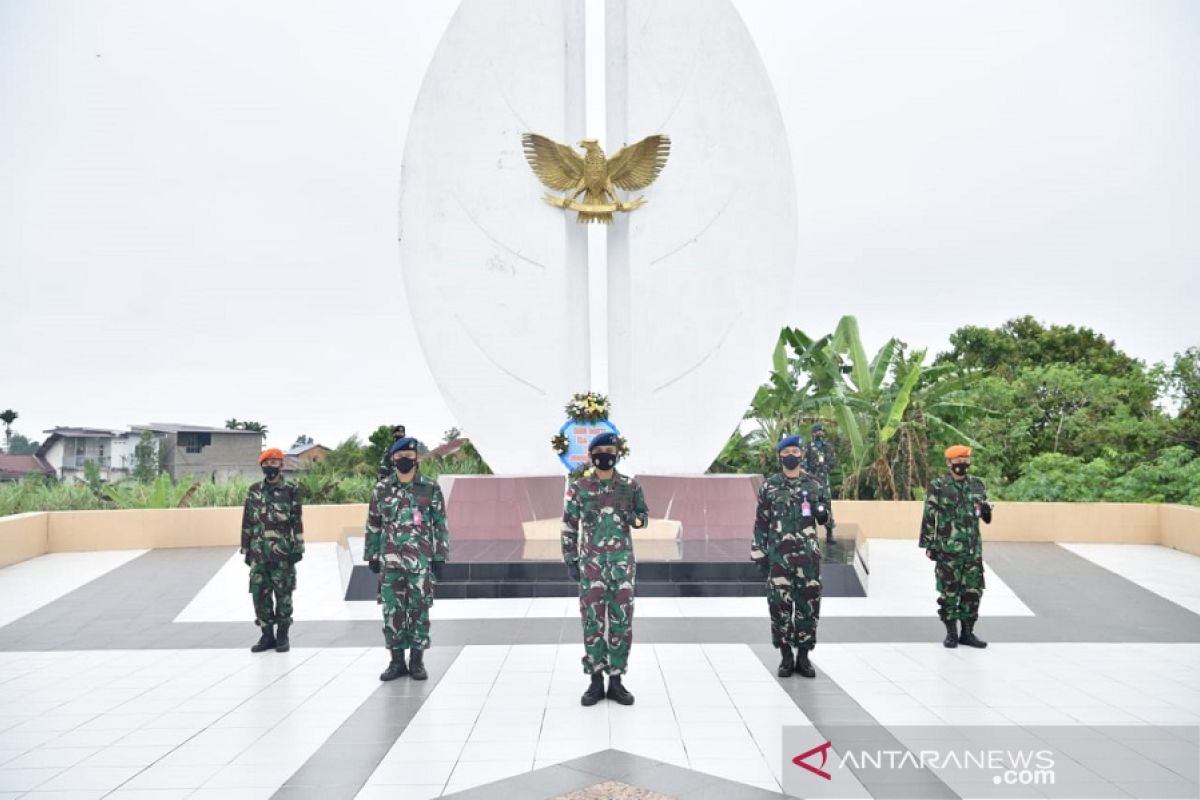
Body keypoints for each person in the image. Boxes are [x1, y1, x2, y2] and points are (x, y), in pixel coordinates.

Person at [561, 432, 648, 706]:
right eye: (600, 451)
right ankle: (596, 680)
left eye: (610, 450)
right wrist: (571, 559)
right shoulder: (580, 487)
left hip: (622, 568)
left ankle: (617, 680)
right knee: (593, 624)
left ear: (616, 454)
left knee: (621, 624)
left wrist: (633, 518)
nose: (605, 455)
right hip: (592, 568)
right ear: (591, 455)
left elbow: (643, 518)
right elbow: (568, 525)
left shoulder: (630, 486)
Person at [364, 437, 449, 681]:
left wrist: (440, 555)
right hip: (390, 563)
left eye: (409, 456)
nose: (404, 460)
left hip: (420, 561)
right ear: (393, 459)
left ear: (416, 458)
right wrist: (371, 555)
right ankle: (396, 662)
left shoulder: (430, 488)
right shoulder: (381, 489)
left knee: (419, 609)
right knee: (392, 611)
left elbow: (440, 524)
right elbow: (373, 524)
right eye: (400, 457)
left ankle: (417, 662)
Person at [752, 435, 829, 678]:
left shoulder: (815, 485)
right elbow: (761, 522)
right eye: (786, 452)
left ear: (802, 455)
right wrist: (759, 552)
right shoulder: (770, 486)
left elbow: (826, 518)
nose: (791, 456)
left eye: (795, 451)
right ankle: (786, 656)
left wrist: (823, 513)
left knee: (808, 606)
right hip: (778, 558)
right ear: (780, 456)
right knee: (779, 606)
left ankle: (804, 657)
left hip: (808, 559)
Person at [919, 444, 992, 649]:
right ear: (949, 463)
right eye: (957, 461)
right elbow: (929, 516)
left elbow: (982, 514)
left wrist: (986, 512)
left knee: (973, 591)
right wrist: (929, 544)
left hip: (972, 550)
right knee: (949, 591)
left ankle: (967, 633)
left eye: (965, 461)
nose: (962, 464)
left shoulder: (977, 485)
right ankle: (951, 633)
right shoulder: (939, 486)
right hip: (947, 550)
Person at [240, 447, 304, 654]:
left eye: (275, 463)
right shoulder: (254, 490)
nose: (271, 467)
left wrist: (298, 547)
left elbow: (297, 521)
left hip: (282, 554)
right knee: (259, 595)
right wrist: (246, 548)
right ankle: (266, 635)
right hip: (258, 552)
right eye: (267, 463)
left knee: (283, 594)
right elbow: (247, 521)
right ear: (262, 466)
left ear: (281, 465)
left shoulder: (291, 490)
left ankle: (283, 635)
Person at [805, 423, 837, 544]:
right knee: (809, 507)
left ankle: (830, 534)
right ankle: (811, 535)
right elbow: (802, 463)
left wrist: (825, 468)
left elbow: (833, 462)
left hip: (824, 482)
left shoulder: (828, 447)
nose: (820, 433)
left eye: (821, 431)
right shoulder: (807, 447)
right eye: (817, 431)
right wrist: (809, 474)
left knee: (827, 506)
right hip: (811, 481)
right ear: (813, 434)